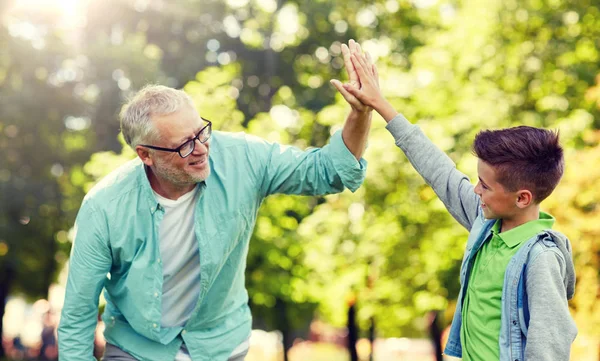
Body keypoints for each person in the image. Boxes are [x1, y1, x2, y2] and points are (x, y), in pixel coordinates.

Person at [58, 55, 372, 360]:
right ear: (145, 155)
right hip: (137, 349)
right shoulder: (104, 208)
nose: (202, 148)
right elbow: (77, 316)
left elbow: (328, 171)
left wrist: (359, 114)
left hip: (220, 345)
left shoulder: (243, 159)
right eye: (184, 145)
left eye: (201, 132)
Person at [331, 41, 577, 361]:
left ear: (522, 198)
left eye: (485, 186)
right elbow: (440, 171)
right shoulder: (487, 224)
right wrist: (381, 105)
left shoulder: (540, 258)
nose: (476, 190)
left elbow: (549, 348)